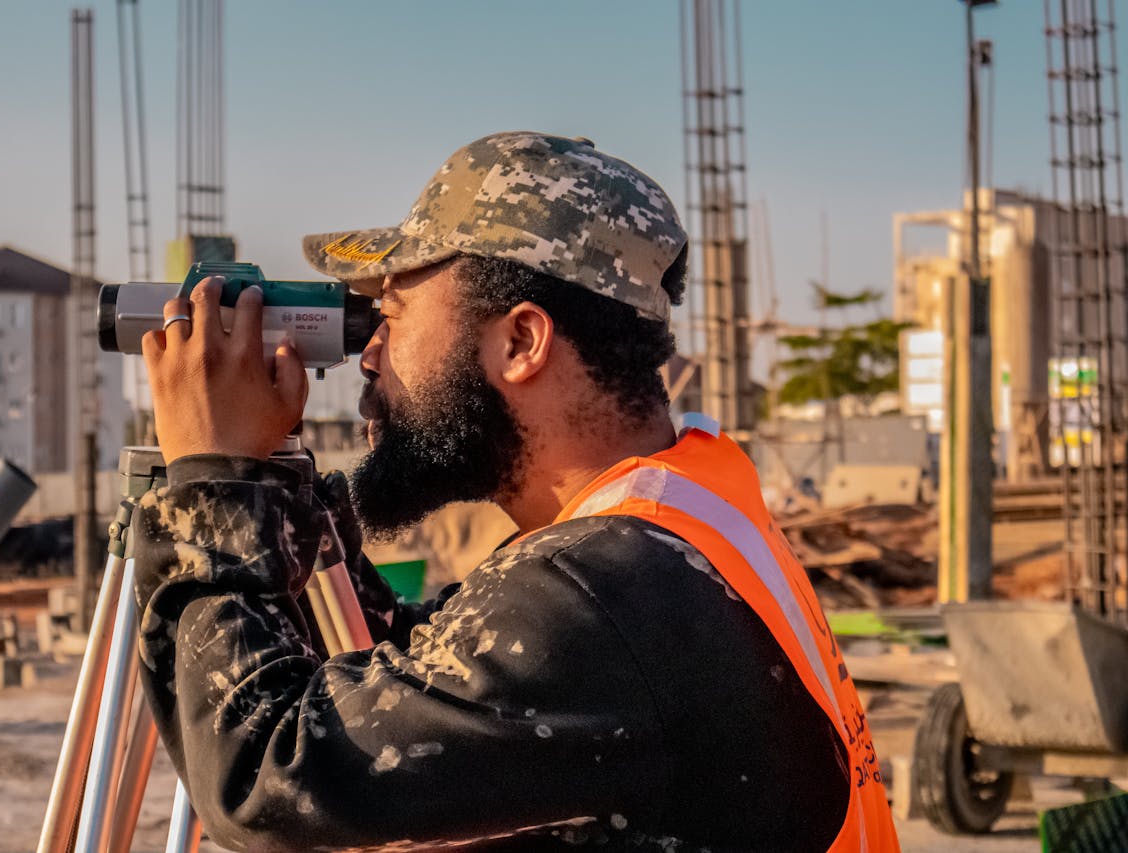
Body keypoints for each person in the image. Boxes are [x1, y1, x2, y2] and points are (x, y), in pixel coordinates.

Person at [135, 131, 900, 852]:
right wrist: (276, 481)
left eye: (392, 312)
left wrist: (213, 478)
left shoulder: (605, 591)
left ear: (520, 341)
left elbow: (265, 775)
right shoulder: (683, 517)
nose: (368, 354)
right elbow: (403, 675)